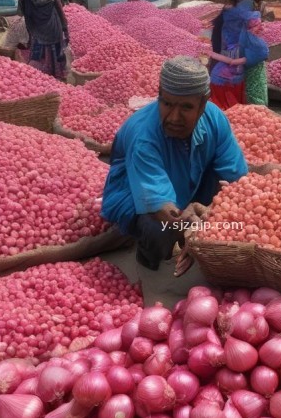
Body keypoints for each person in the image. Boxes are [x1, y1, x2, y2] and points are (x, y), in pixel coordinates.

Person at [102, 56, 248, 274]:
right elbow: (162, 208)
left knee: (233, 202)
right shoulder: (144, 136)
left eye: (186, 107)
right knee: (160, 228)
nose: (174, 117)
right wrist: (190, 226)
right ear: (159, 94)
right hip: (136, 194)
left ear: (203, 103)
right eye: (167, 103)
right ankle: (151, 260)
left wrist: (215, 212)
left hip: (190, 183)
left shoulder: (215, 118)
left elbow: (237, 180)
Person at [209, 0, 262, 109]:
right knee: (231, 112)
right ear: (242, 0)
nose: (252, 6)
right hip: (229, 76)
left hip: (224, 72)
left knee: (228, 113)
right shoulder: (243, 18)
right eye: (250, 3)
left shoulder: (227, 16)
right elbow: (260, 51)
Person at [18, 0, 69, 80]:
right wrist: (64, 27)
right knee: (56, 52)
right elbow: (59, 9)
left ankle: (40, 79)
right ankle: (58, 77)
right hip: (53, 28)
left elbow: (22, 12)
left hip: (38, 29)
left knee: (39, 55)